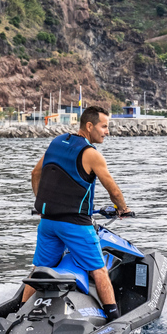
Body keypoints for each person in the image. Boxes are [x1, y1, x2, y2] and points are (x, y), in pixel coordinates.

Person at [22, 106, 131, 320]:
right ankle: (114, 318)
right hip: (75, 224)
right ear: (89, 126)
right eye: (104, 126)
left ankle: (19, 311)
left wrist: (41, 204)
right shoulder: (91, 154)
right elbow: (114, 191)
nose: (107, 131)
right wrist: (123, 210)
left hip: (48, 222)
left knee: (40, 269)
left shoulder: (57, 142)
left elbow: (36, 173)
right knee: (98, 269)